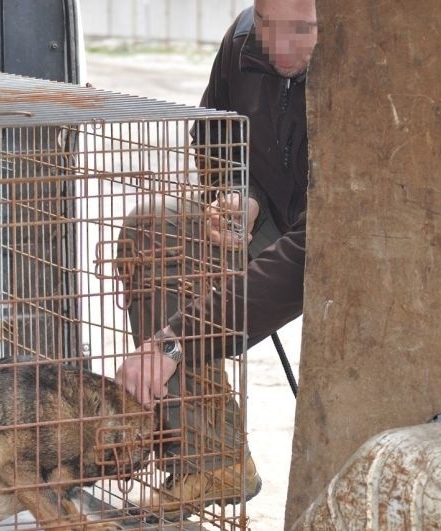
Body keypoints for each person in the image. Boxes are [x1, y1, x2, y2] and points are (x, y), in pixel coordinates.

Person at [114, 0, 318, 519]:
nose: (279, 48)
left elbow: (312, 252)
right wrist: (235, 193)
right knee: (153, 226)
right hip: (271, 216)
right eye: (268, 25)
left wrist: (173, 343)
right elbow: (213, 134)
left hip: (340, 237)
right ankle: (210, 458)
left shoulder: (365, 59)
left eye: (301, 30)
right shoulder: (244, 39)